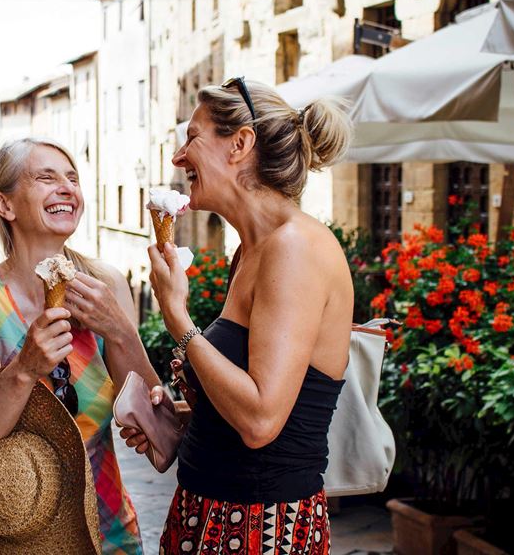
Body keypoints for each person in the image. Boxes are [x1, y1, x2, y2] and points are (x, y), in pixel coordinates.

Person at [121, 78, 354, 554]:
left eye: (192, 137)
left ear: (240, 144)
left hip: (261, 529)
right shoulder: (251, 250)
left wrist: (177, 317)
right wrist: (183, 420)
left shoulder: (294, 248)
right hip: (210, 515)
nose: (178, 157)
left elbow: (261, 420)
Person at [0, 137, 161, 554]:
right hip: (8, 541)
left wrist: (120, 331)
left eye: (73, 178)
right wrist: (24, 368)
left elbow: (156, 426)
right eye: (46, 177)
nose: (67, 188)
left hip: (108, 534)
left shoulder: (106, 285)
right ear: (5, 206)